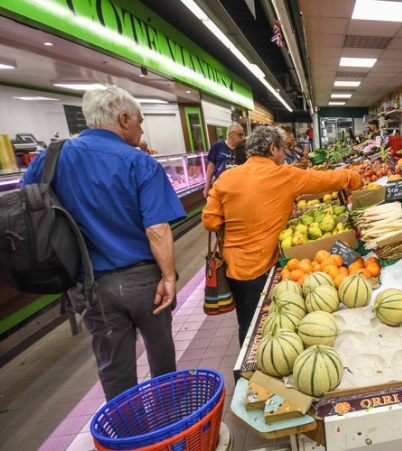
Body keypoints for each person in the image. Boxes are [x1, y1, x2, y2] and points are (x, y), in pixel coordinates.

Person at [22, 85, 185, 401]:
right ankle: (171, 425)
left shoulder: (48, 160)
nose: (140, 129)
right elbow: (157, 229)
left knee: (114, 368)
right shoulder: (139, 163)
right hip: (144, 282)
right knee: (161, 355)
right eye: (139, 121)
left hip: (89, 284)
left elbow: (29, 209)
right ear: (124, 119)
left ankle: (130, 438)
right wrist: (168, 277)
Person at [202, 126, 361, 345]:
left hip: (233, 266)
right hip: (263, 264)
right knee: (266, 323)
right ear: (272, 147)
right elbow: (323, 180)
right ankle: (257, 365)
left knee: (246, 321)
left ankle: (246, 361)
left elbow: (209, 221)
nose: (284, 154)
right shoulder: (283, 174)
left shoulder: (226, 178)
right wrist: (351, 176)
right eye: (282, 149)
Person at [203, 123, 246, 198]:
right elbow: (211, 166)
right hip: (220, 188)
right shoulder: (217, 146)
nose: (243, 137)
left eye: (243, 134)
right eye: (240, 134)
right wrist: (207, 186)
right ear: (231, 135)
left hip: (239, 188)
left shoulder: (243, 148)